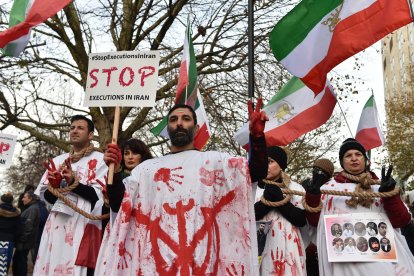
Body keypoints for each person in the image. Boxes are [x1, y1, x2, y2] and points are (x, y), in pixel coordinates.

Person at [95, 101, 268, 275]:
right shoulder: (146, 170)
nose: (179, 123)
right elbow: (120, 205)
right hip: (155, 265)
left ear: (196, 127)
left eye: (185, 119)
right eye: (173, 119)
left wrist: (257, 138)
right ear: (168, 128)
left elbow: (256, 171)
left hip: (202, 263)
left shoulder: (216, 162)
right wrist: (115, 171)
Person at [304, 138, 414, 275]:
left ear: (366, 160)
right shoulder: (328, 189)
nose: (354, 158)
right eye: (348, 156)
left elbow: (402, 221)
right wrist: (313, 196)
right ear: (342, 162)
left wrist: (390, 196)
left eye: (358, 154)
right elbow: (315, 222)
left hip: (381, 258)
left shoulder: (381, 187)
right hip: (344, 261)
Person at [34, 115, 108, 276]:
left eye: (80, 128)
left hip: (83, 225)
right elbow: (48, 199)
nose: (74, 131)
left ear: (90, 135)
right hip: (57, 223)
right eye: (72, 128)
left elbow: (99, 198)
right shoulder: (59, 161)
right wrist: (53, 187)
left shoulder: (102, 160)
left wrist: (74, 183)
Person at [253, 145, 308, 275]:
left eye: (270, 161)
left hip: (289, 247)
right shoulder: (252, 188)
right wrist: (265, 202)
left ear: (281, 165)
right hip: (261, 249)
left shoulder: (295, 188)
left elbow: (301, 220)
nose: (265, 165)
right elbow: (246, 217)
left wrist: (280, 200)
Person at [12, 191, 40, 276]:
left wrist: (21, 240)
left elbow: (28, 227)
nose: (22, 199)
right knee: (18, 262)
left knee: (20, 264)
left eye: (25, 197)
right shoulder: (32, 208)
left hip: (24, 243)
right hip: (24, 242)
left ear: (30, 198)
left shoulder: (32, 209)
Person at [0, 192, 21, 275]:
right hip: (9, 241)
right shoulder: (16, 213)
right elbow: (18, 229)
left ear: (2, 200)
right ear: (11, 201)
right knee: (4, 265)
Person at [31, 198, 49, 266]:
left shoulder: (39, 207)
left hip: (38, 235)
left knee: (36, 256)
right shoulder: (42, 207)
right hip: (40, 235)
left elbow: (41, 221)